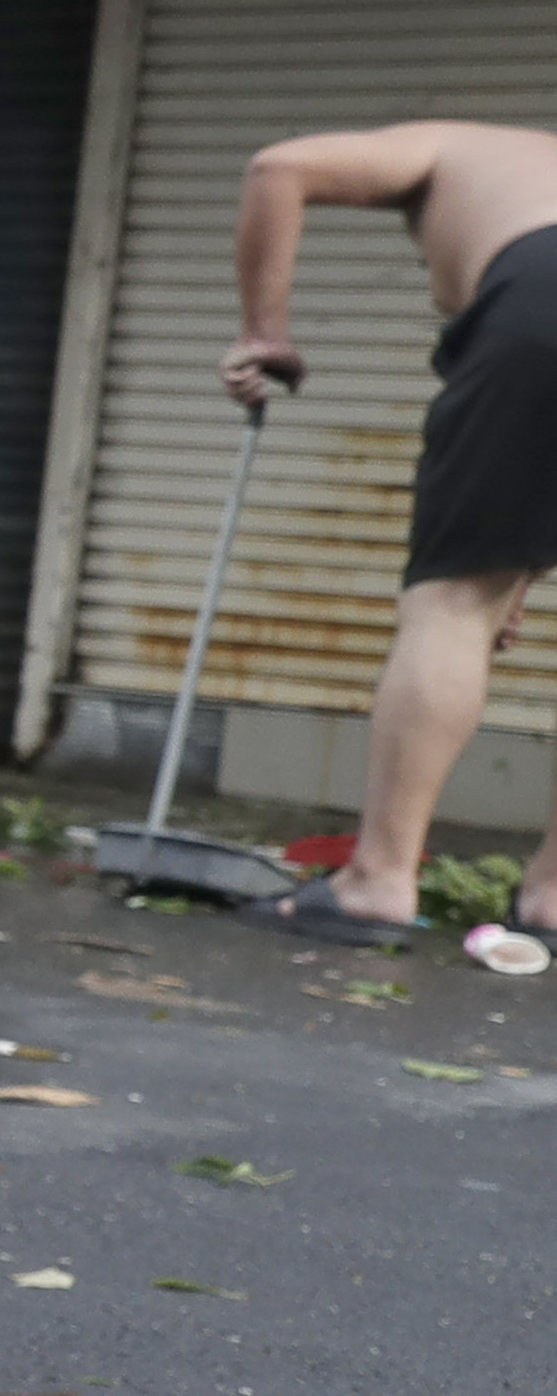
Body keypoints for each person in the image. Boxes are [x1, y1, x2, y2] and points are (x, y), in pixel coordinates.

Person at [216, 119, 557, 940]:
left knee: (451, 608)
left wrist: (265, 331)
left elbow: (278, 164)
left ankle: (377, 880)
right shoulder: (524, 176)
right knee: (479, 599)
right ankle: (553, 899)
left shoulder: (446, 147)